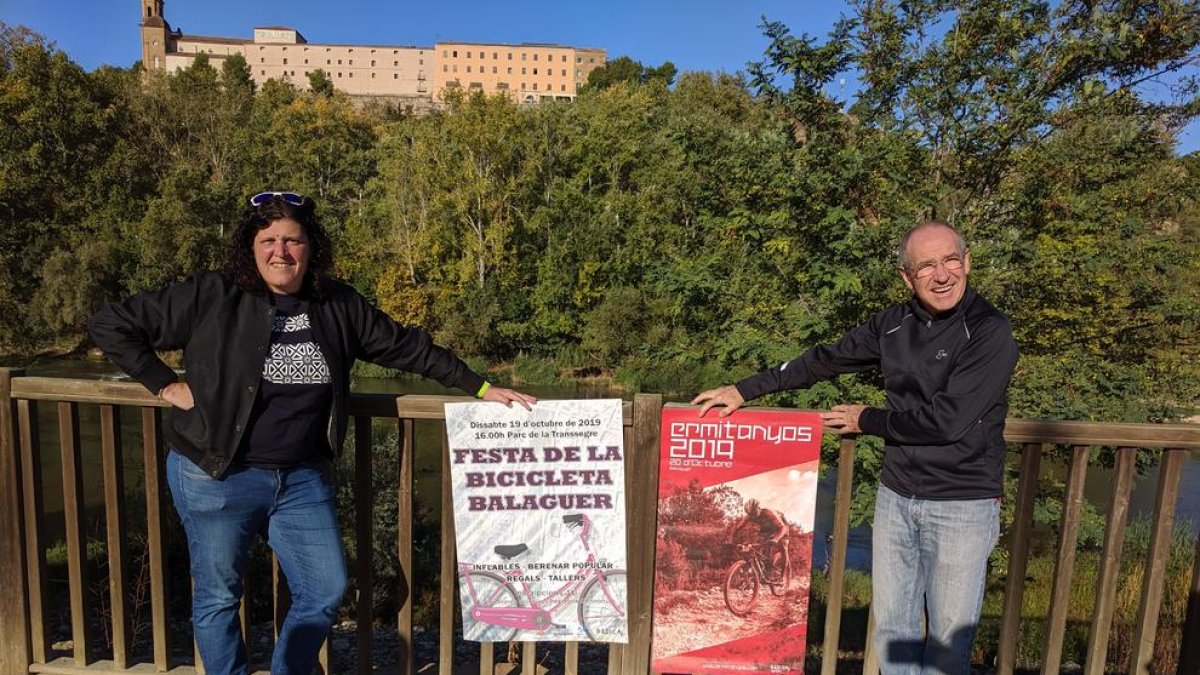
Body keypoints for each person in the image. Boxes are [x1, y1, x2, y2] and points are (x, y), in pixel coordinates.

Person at [89, 191, 536, 675]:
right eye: (269, 240)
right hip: (214, 472)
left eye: (293, 240)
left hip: (300, 478)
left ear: (310, 248)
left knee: (325, 588)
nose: (280, 251)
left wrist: (482, 387)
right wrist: (164, 383)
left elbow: (408, 348)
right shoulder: (213, 296)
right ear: (252, 247)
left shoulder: (336, 303)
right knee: (219, 596)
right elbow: (111, 323)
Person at [693, 221, 1018, 675]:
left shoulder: (989, 331)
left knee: (947, 645)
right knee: (893, 634)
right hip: (897, 497)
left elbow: (947, 422)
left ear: (967, 263)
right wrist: (746, 390)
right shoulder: (892, 325)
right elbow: (824, 359)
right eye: (926, 266)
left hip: (963, 503)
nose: (942, 274)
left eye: (950, 261)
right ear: (908, 277)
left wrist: (867, 419)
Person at [727, 498, 789, 579]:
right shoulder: (749, 516)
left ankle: (782, 576)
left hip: (781, 527)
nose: (753, 516)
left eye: (754, 513)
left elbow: (782, 528)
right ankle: (765, 570)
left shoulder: (769, 513)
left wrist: (776, 539)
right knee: (760, 546)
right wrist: (730, 540)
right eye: (750, 514)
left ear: (758, 508)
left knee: (783, 547)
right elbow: (737, 528)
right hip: (767, 529)